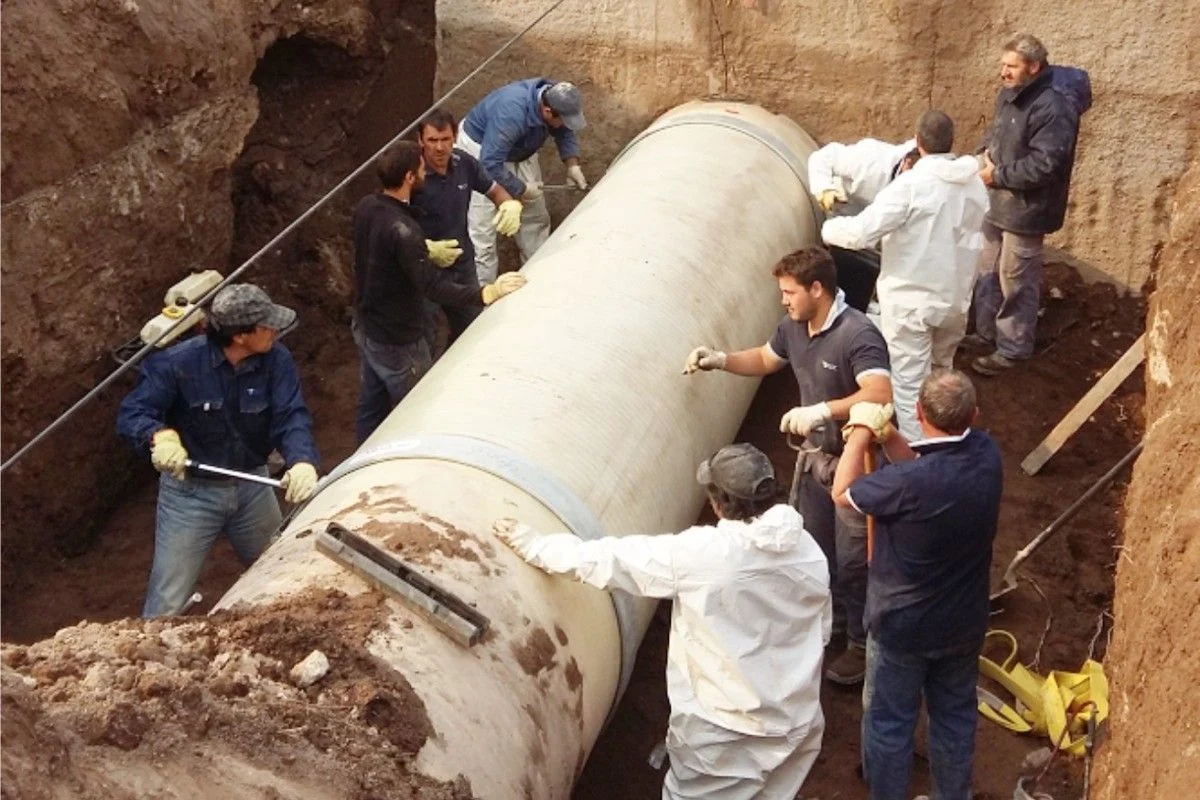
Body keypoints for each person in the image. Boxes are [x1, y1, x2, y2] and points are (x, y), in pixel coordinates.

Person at [492, 443, 831, 799]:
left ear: (719, 502)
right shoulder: (807, 550)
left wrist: (535, 546)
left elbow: (612, 561)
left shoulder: (705, 553)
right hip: (797, 721)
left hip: (726, 731)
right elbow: (820, 630)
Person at [683, 247, 892, 684]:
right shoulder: (794, 326)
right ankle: (831, 624)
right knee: (817, 549)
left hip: (854, 463)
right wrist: (720, 360)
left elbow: (878, 394)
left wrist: (823, 410)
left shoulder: (858, 334)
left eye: (789, 292)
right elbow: (764, 359)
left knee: (856, 561)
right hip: (814, 461)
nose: (783, 300)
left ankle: (860, 643)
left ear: (818, 289)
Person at [831, 370, 1003, 800]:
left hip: (901, 628)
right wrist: (889, 439)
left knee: (889, 723)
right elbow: (924, 468)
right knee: (954, 718)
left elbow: (843, 492)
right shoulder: (986, 454)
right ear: (974, 415)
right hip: (963, 623)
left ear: (919, 412)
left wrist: (860, 433)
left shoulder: (906, 485)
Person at [116, 283, 321, 617]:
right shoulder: (177, 365)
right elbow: (133, 413)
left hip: (253, 487)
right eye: (266, 324)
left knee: (281, 571)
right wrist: (160, 436)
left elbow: (291, 415)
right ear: (240, 336)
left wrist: (302, 461)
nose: (275, 330)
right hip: (190, 497)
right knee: (167, 603)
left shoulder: (276, 360)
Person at [822, 110, 988, 440]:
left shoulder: (910, 186)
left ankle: (918, 457)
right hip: (954, 301)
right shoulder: (973, 185)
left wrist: (827, 226)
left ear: (918, 140)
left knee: (910, 387)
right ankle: (950, 443)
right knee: (942, 379)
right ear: (950, 142)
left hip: (911, 303)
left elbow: (860, 234)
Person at [352, 141, 526, 444]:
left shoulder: (367, 207)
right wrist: (484, 293)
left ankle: (360, 455)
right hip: (398, 339)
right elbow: (431, 286)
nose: (425, 171)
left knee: (372, 404)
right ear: (409, 177)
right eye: (420, 168)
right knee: (419, 408)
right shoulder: (404, 229)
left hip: (368, 327)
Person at [971, 33, 1083, 376]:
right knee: (986, 268)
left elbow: (1048, 164)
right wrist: (981, 155)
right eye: (1002, 65)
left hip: (1027, 208)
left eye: (1011, 66)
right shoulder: (1012, 92)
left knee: (1015, 278)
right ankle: (985, 332)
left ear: (1034, 67)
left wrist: (998, 175)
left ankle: (1013, 348)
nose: (1003, 72)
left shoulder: (1055, 106)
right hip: (999, 199)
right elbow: (997, 132)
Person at [456, 78, 588, 285]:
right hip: (481, 151)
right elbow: (490, 162)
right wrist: (521, 188)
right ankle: (481, 297)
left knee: (535, 219)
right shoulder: (511, 113)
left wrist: (572, 164)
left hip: (520, 149)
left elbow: (564, 130)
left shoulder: (554, 96)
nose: (564, 125)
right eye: (562, 119)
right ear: (546, 112)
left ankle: (538, 282)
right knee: (482, 231)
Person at [413, 108, 524, 344]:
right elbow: (391, 219)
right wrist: (424, 248)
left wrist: (508, 204)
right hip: (424, 268)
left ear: (454, 136)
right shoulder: (412, 174)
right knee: (425, 337)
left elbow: (492, 189)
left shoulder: (463, 163)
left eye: (445, 139)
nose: (440, 148)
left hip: (461, 265)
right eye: (432, 140)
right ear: (420, 140)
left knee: (472, 330)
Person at [808, 135, 918, 213]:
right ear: (908, 162)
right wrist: (824, 190)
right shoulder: (868, 160)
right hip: (846, 215)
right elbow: (822, 158)